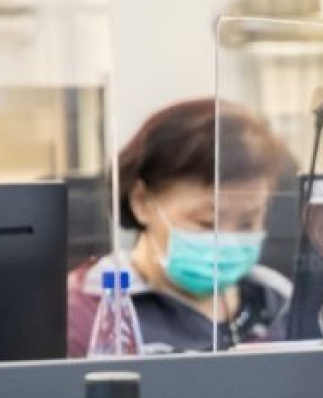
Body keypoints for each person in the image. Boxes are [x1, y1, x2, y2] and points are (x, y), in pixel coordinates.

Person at [67, 97, 293, 356]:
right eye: (208, 223)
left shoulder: (277, 300)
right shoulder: (89, 312)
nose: (228, 238)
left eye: (247, 222)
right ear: (142, 201)